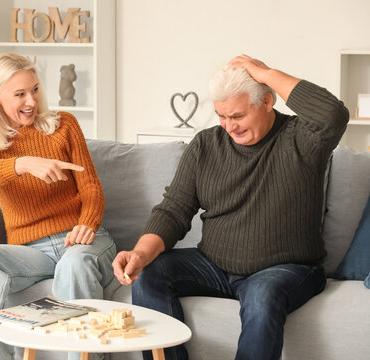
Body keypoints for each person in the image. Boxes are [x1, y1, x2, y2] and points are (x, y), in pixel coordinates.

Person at [112, 54, 349, 360]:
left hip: (286, 269)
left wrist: (264, 72)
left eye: (237, 116)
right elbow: (173, 210)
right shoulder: (206, 145)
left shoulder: (303, 139)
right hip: (213, 265)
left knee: (263, 295)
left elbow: (332, 113)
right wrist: (140, 253)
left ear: (266, 101)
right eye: (221, 116)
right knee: (149, 272)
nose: (228, 126)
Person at [0, 52, 116, 360]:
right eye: (19, 94)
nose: (31, 101)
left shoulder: (64, 125)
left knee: (74, 264)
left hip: (82, 241)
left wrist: (88, 222)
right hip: (31, 253)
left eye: (34, 89)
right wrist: (20, 164)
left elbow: (91, 187)